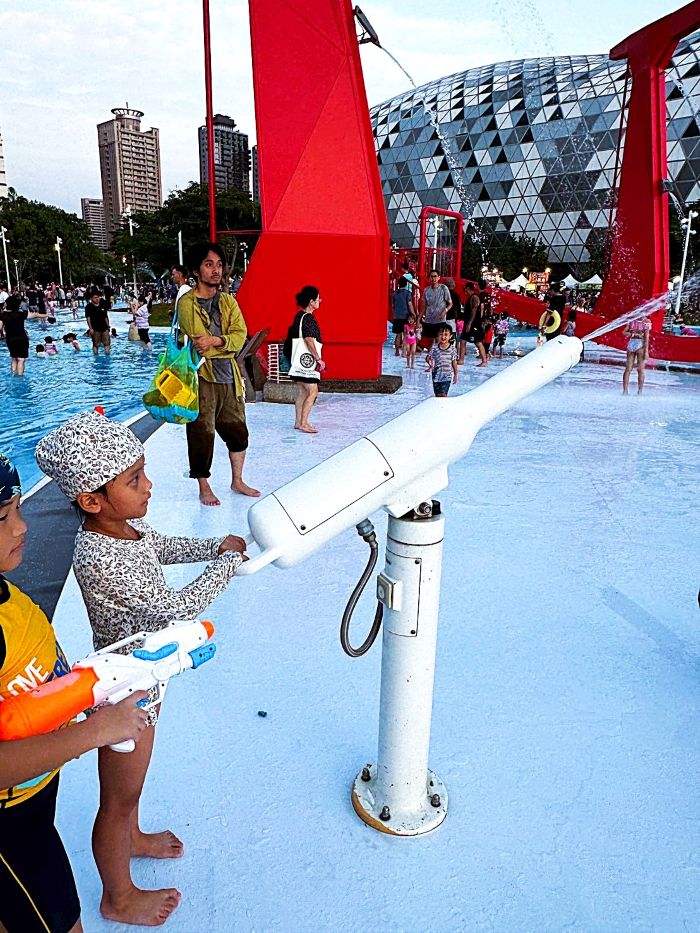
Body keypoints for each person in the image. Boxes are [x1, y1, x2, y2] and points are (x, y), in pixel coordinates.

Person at [35, 410, 248, 927]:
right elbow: (172, 615)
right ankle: (117, 896)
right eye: (135, 480)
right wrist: (225, 566)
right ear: (92, 500)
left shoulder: (124, 525)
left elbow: (161, 547)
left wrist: (209, 547)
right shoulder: (101, 556)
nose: (149, 485)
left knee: (133, 782)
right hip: (124, 690)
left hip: (147, 680)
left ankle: (132, 836)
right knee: (117, 795)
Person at [0, 451, 149, 933]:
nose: (22, 528)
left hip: (34, 800)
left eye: (20, 510)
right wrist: (96, 731)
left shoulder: (9, 595)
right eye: (4, 518)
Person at [177, 242, 260, 505]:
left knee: (238, 433)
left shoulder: (228, 301)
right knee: (202, 432)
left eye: (219, 265)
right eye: (208, 264)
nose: (216, 270)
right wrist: (222, 342)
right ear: (196, 269)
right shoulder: (187, 303)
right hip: (201, 378)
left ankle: (237, 480)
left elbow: (241, 336)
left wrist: (216, 342)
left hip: (229, 377)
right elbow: (198, 340)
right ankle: (204, 486)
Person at [283, 285, 326, 433]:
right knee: (313, 391)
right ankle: (304, 423)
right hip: (306, 361)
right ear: (311, 302)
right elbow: (308, 340)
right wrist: (318, 358)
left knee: (302, 391)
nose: (320, 300)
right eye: (318, 298)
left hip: (296, 359)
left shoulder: (299, 316)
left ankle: (298, 421)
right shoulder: (309, 319)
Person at [1, 292, 29, 375]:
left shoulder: (3, 315)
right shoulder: (21, 314)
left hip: (10, 339)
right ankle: (20, 376)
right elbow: (34, 314)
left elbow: (0, 327)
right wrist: (46, 316)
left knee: (14, 358)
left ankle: (13, 374)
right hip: (21, 339)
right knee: (21, 359)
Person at [426, 323, 458, 397]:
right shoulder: (434, 348)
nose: (443, 337)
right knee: (437, 395)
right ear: (438, 336)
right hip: (436, 375)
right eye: (441, 334)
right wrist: (430, 365)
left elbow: (454, 362)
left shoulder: (452, 349)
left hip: (447, 376)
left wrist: (456, 374)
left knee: (443, 394)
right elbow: (428, 358)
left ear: (450, 336)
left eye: (446, 335)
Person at [421, 271, 452, 346]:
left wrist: (445, 311)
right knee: (429, 338)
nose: (433, 278)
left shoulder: (443, 288)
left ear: (438, 277)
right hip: (429, 318)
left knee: (440, 338)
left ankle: (438, 354)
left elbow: (450, 303)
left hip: (440, 319)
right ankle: (432, 353)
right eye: (431, 276)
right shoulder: (426, 290)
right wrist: (419, 317)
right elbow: (424, 306)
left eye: (435, 276)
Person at [622, 314, 651, 395]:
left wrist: (632, 335)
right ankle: (639, 391)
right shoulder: (646, 322)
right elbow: (646, 337)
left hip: (631, 343)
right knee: (640, 370)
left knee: (628, 369)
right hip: (640, 344)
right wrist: (646, 351)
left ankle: (625, 391)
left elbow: (624, 332)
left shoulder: (632, 321)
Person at [459, 281, 480, 364]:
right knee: (463, 340)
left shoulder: (474, 298)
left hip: (471, 323)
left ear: (468, 288)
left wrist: (469, 323)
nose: (465, 291)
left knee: (477, 342)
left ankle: (485, 358)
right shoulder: (471, 297)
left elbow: (474, 311)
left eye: (465, 289)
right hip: (469, 322)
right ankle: (461, 359)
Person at [391, 277, 414, 356]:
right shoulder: (408, 293)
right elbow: (409, 304)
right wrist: (413, 313)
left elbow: (393, 305)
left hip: (397, 316)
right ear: (406, 284)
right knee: (405, 335)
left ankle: (397, 351)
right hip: (405, 316)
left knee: (398, 334)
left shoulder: (395, 293)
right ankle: (404, 352)